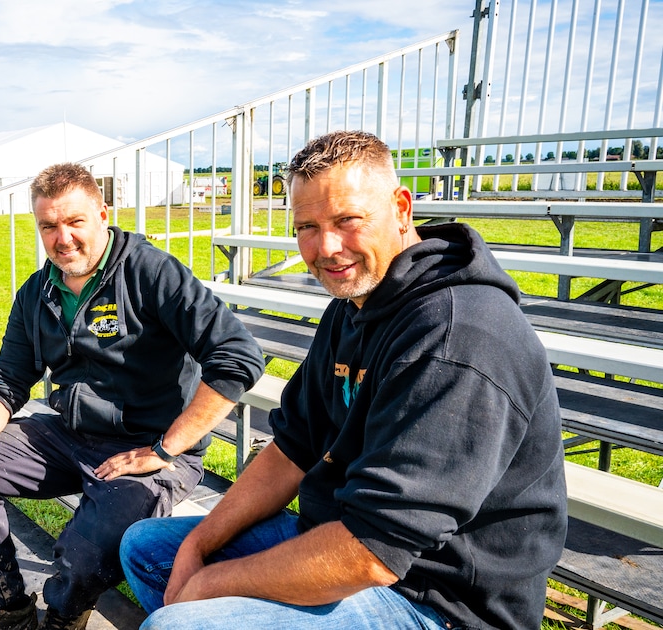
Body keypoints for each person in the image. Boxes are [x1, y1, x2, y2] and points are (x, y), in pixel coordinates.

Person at [120, 130, 568, 629]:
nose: (327, 248)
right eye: (307, 226)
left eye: (347, 220)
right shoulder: (355, 303)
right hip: (342, 535)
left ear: (401, 208)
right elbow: (293, 447)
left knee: (178, 623)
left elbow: (375, 551)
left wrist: (207, 586)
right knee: (151, 549)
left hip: (439, 600)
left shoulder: (457, 337)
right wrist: (199, 546)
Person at [0, 163, 266, 630]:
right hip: (70, 435)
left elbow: (237, 355)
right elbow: (6, 380)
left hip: (151, 449)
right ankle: (8, 608)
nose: (62, 238)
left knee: (85, 551)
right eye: (49, 225)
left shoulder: (151, 271)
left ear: (103, 214)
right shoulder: (38, 291)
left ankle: (66, 615)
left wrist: (165, 448)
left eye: (75, 222)